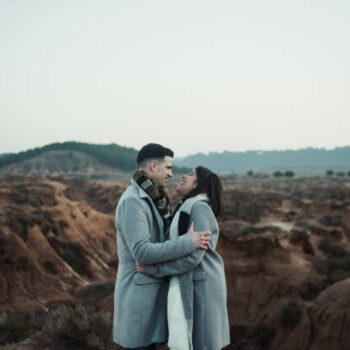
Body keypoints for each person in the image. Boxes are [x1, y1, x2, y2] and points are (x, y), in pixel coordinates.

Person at [112, 144, 211, 350]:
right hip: (139, 301)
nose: (171, 173)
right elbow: (142, 252)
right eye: (168, 168)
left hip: (152, 297)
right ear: (154, 166)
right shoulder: (133, 201)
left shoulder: (155, 198)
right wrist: (188, 242)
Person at [136, 166, 230, 350]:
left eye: (190, 174)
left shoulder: (199, 209)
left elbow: (192, 259)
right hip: (195, 284)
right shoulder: (186, 207)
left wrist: (153, 270)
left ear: (198, 183)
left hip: (201, 288)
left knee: (200, 344)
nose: (183, 176)